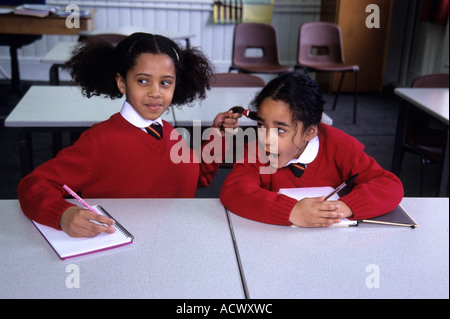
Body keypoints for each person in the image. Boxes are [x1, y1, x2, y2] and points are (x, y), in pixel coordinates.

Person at [18, 32, 240, 237]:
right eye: (143, 81)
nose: (155, 92)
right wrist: (62, 214)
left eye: (165, 83)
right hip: (119, 249)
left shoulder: (170, 132)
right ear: (122, 83)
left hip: (173, 242)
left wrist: (219, 137)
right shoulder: (98, 143)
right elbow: (33, 186)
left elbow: (195, 176)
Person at [220, 72, 404, 227]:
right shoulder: (256, 150)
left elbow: (389, 186)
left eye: (281, 130)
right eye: (261, 125)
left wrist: (337, 209)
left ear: (310, 132)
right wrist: (290, 211)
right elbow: (234, 191)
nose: (267, 139)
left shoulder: (340, 146)